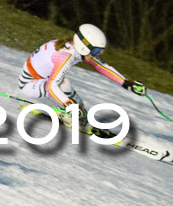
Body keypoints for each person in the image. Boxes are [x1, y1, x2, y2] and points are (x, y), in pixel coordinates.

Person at [17, 23, 147, 128]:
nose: (98, 54)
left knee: (67, 90)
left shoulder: (77, 49)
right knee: (63, 83)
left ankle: (75, 115)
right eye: (96, 51)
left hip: (41, 80)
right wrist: (69, 105)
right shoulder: (65, 56)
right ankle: (68, 116)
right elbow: (51, 87)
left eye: (101, 51)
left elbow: (101, 66)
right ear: (85, 47)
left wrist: (126, 83)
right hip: (30, 84)